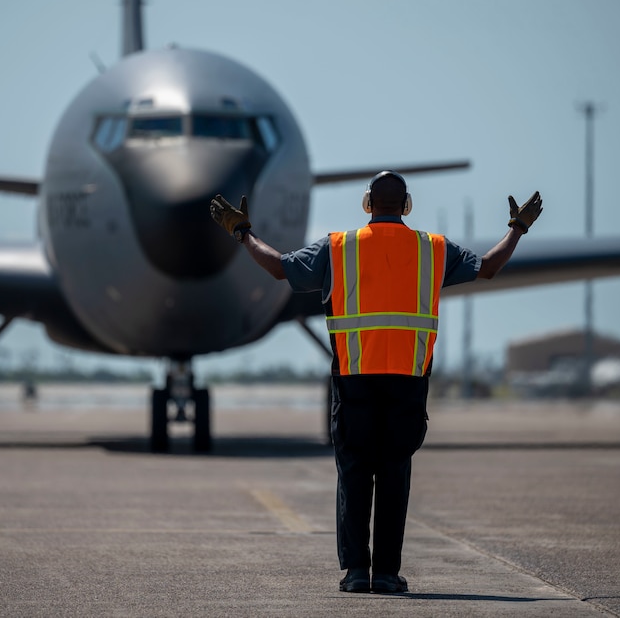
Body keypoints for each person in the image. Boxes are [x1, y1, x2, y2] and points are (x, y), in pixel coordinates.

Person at [210, 171, 542, 594]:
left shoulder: (338, 248)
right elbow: (490, 267)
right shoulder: (434, 249)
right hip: (407, 381)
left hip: (355, 380)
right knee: (394, 475)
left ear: (367, 204)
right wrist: (517, 229)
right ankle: (385, 574)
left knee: (353, 474)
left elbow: (279, 269)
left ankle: (354, 573)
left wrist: (241, 232)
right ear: (407, 206)